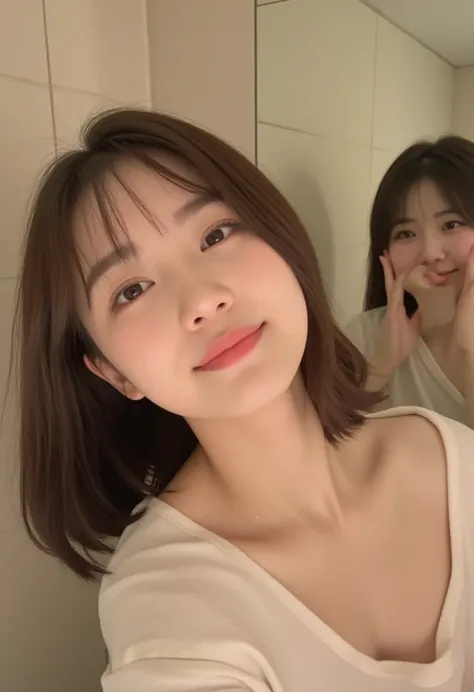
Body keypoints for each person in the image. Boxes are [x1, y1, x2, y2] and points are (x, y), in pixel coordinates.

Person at [16, 109, 474, 691]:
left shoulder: (451, 456)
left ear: (282, 242)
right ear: (112, 371)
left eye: (215, 235)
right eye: (131, 290)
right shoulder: (169, 604)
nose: (202, 300)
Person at [346, 136, 474, 427]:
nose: (430, 252)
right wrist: (379, 370)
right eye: (406, 234)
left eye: (451, 224)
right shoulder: (364, 337)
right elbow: (325, 446)